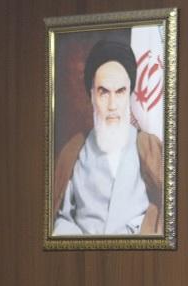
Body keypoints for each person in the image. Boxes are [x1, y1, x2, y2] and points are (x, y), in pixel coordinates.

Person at [52, 38, 163, 236]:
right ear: (92, 96)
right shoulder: (73, 152)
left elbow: (170, 211)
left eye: (120, 92)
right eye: (104, 93)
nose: (112, 105)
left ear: (129, 95)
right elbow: (60, 219)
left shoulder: (149, 147)